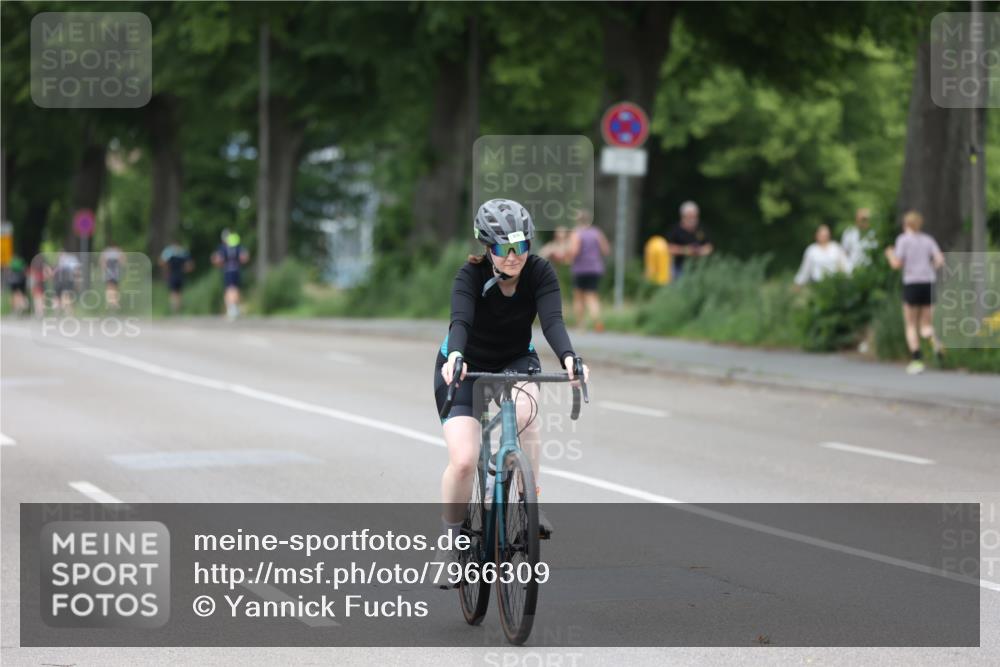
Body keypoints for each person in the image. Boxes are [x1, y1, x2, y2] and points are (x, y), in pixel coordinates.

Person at [433, 198, 589, 566]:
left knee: (526, 416)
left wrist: (570, 358)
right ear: (488, 248)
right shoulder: (469, 276)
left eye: (521, 246)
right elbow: (460, 322)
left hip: (516, 359)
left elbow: (552, 322)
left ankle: (528, 501)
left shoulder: (540, 272)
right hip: (465, 364)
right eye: (504, 249)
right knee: (463, 461)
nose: (514, 256)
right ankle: (449, 539)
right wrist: (456, 356)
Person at [884, 210, 945, 375]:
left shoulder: (903, 240)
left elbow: (896, 264)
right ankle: (936, 344)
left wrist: (889, 254)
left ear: (906, 224)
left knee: (911, 324)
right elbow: (940, 260)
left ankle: (917, 360)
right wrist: (929, 267)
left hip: (912, 283)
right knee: (926, 325)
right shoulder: (928, 239)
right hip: (928, 282)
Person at [567, 209, 610, 331]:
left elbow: (574, 251)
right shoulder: (597, 232)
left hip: (580, 269)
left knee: (578, 297)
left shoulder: (576, 233)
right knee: (592, 296)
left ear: (577, 220)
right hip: (595, 268)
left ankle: (581, 325)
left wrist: (568, 258)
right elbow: (606, 250)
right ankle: (597, 321)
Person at [667, 201, 713, 279]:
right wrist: (686, 250)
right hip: (679, 268)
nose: (692, 219)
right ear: (683, 216)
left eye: (694, 216)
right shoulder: (675, 230)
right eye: (690, 216)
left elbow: (709, 247)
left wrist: (700, 251)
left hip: (699, 268)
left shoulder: (701, 229)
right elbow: (668, 248)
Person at [211, 231, 249, 320]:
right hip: (236, 270)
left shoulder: (223, 248)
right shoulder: (238, 246)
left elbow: (217, 259)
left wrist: (216, 260)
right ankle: (234, 308)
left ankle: (232, 309)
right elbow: (245, 257)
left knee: (230, 289)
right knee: (235, 289)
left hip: (228, 271)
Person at [159, 241, 194, 314]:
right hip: (181, 275)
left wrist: (166, 270)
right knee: (179, 292)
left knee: (173, 292)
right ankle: (178, 308)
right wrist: (184, 270)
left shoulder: (168, 251)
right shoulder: (183, 252)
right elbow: (190, 265)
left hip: (172, 274)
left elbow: (161, 262)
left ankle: (175, 309)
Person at [53, 250, 81, 316]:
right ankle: (68, 313)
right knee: (66, 296)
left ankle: (62, 312)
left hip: (63, 279)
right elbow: (76, 271)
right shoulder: (72, 258)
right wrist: (77, 281)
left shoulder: (64, 258)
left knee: (62, 296)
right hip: (66, 279)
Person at [100, 241, 125, 311]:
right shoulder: (118, 251)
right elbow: (122, 261)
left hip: (111, 270)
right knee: (114, 287)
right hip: (114, 270)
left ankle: (111, 301)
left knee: (110, 286)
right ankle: (113, 301)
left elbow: (102, 262)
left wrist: (103, 271)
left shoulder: (107, 251)